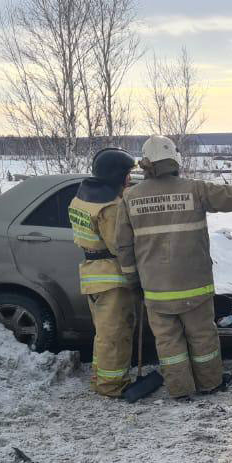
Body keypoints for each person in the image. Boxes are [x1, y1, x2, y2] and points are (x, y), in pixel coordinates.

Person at [115, 135, 232, 398]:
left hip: (156, 291)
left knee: (169, 343)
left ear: (147, 164)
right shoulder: (195, 189)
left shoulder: (130, 198)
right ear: (173, 160)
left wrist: (133, 281)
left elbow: (123, 246)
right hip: (194, 287)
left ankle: (180, 389)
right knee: (203, 339)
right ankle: (210, 383)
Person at [68, 147, 139, 397]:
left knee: (104, 334)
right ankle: (113, 386)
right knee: (116, 335)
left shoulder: (84, 197)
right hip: (112, 279)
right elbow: (119, 246)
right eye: (127, 175)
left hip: (92, 274)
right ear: (116, 175)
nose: (129, 179)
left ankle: (100, 380)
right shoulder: (110, 208)